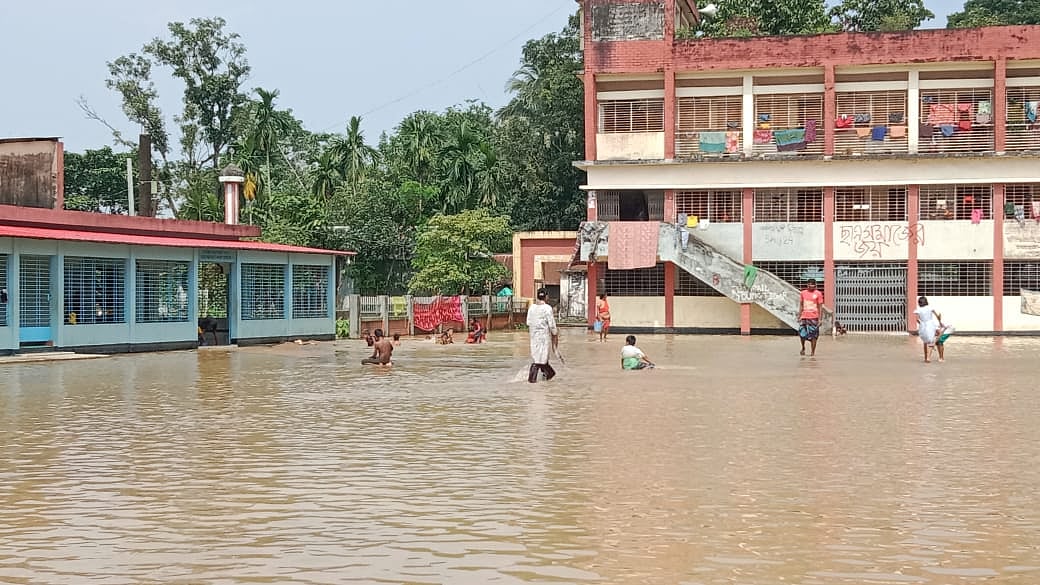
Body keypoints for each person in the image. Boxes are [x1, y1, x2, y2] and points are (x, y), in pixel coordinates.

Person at [526, 288, 559, 383]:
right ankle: (532, 381)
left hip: (533, 337)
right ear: (546, 296)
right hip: (543, 337)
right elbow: (552, 325)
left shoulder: (531, 308)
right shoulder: (547, 308)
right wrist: (555, 334)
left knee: (540, 359)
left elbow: (528, 322)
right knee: (540, 361)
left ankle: (543, 382)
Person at [914, 296, 945, 363]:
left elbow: (917, 319)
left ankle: (926, 358)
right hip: (931, 324)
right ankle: (935, 355)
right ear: (926, 302)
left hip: (923, 326)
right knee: (937, 336)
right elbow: (937, 316)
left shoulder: (918, 310)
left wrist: (921, 323)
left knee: (925, 342)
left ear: (919, 303)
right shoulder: (930, 307)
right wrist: (940, 322)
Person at [798, 279, 824, 357]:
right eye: (809, 284)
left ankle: (812, 353)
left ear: (815, 285)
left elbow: (820, 307)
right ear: (807, 285)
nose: (810, 286)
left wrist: (820, 319)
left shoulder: (818, 294)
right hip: (804, 317)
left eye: (812, 284)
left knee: (814, 335)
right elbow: (801, 305)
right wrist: (799, 315)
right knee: (802, 334)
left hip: (814, 317)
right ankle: (803, 347)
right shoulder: (803, 293)